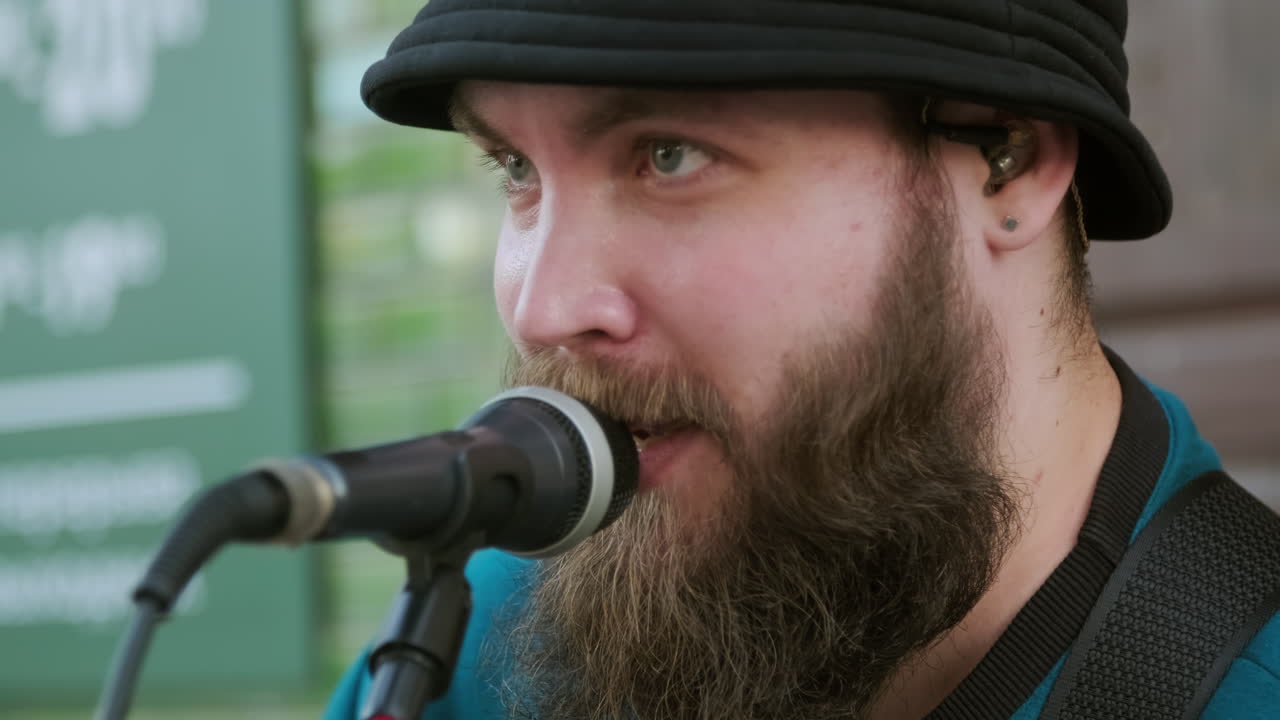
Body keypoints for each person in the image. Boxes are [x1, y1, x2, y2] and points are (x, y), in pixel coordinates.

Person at [325, 2, 1280, 718]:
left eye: (667, 155)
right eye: (517, 169)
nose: (544, 309)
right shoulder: (492, 634)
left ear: (1009, 158)